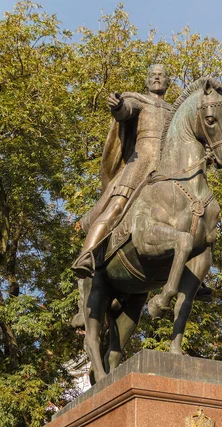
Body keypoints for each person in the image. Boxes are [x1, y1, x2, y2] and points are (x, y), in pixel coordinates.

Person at [72, 64, 171, 278]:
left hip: (166, 169)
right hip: (141, 164)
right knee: (117, 206)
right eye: (153, 75)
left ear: (167, 82)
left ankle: (192, 275)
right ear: (146, 81)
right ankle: (87, 254)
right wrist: (117, 106)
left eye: (161, 75)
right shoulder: (140, 101)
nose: (156, 78)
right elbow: (125, 111)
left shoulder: (174, 111)